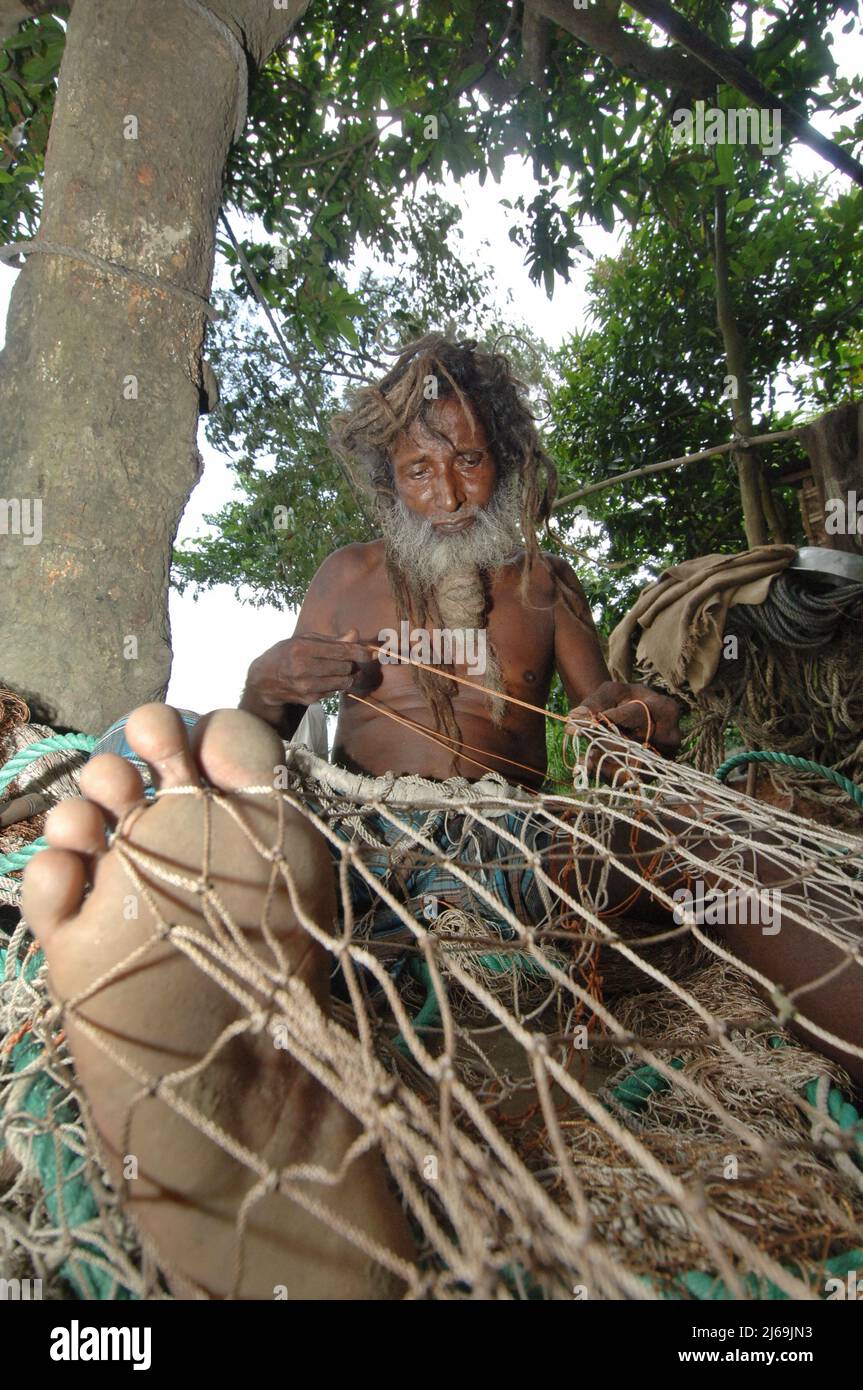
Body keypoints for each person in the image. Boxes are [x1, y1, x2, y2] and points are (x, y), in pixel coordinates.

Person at [21, 336, 863, 1298]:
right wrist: (268, 687)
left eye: (468, 460)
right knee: (239, 776)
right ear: (389, 481)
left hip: (518, 836)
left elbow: (626, 708)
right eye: (420, 469)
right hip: (361, 835)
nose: (449, 491)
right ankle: (229, 992)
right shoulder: (344, 577)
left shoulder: (544, 584)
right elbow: (272, 716)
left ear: (503, 462)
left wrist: (634, 717)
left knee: (704, 841)